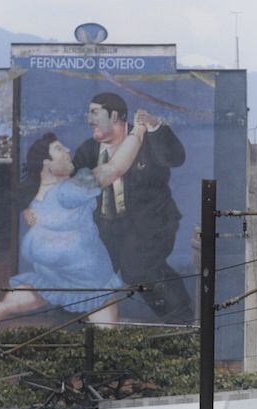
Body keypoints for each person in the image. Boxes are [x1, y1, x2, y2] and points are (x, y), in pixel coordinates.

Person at [72, 92, 193, 323]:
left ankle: (180, 317)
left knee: (138, 269)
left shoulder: (148, 140)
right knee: (92, 271)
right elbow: (69, 182)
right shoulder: (89, 150)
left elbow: (176, 158)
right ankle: (79, 326)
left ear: (115, 115)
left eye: (95, 113)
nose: (89, 119)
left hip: (150, 223)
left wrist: (156, 127)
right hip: (106, 226)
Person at [0, 132, 124, 323]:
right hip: (87, 273)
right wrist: (137, 134)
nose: (67, 150)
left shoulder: (36, 198)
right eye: (59, 149)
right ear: (46, 164)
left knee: (42, 289)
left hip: (49, 264)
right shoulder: (70, 190)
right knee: (103, 314)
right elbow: (114, 168)